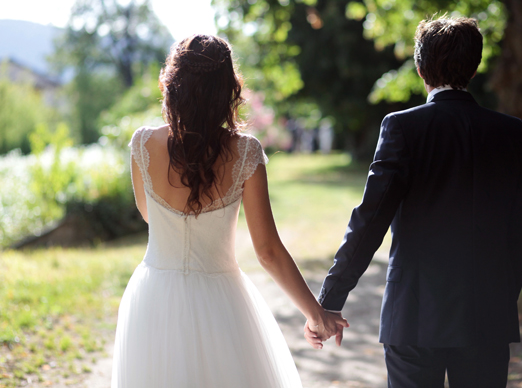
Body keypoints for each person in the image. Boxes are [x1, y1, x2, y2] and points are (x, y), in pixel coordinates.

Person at [305, 16, 522, 387]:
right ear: (475, 68)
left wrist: (330, 300)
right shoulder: (512, 133)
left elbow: (369, 222)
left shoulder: (402, 127)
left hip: (412, 313)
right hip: (487, 314)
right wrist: (500, 294)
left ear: (419, 68)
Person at [111, 34, 347, 388]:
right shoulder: (246, 153)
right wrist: (316, 315)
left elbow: (150, 217)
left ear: (170, 84)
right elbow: (267, 251)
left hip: (153, 298)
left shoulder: (143, 144)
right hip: (220, 301)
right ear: (229, 90)